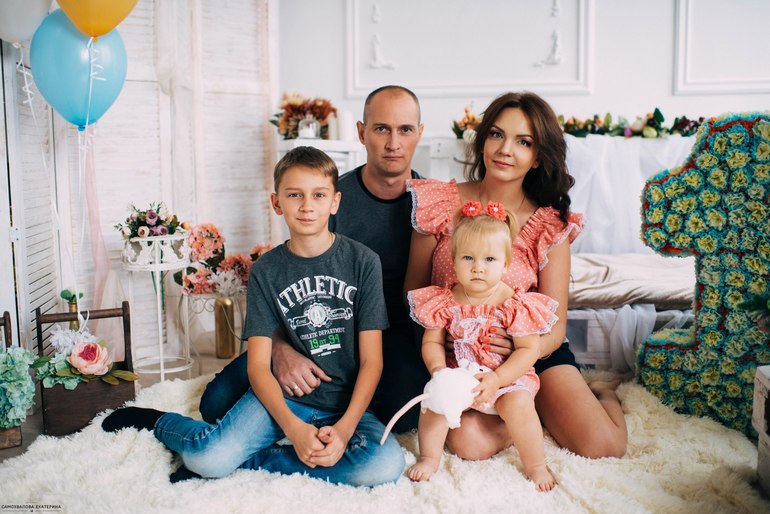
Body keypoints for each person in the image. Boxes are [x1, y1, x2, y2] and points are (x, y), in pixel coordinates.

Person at [103, 147, 405, 486]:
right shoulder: (267, 270)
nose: (307, 206)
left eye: (319, 195)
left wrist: (346, 428)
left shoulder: (363, 262)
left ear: (335, 202)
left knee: (384, 466)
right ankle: (159, 422)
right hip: (285, 398)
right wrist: (294, 429)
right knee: (209, 457)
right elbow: (259, 366)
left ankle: (256, 459)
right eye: (295, 195)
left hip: (345, 403)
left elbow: (372, 362)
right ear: (276, 203)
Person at [404, 91, 628, 460]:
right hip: (460, 357)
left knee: (604, 446)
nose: (505, 149)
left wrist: (521, 351)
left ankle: (600, 393)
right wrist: (442, 345)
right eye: (496, 134)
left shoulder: (549, 225)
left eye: (523, 142)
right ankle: (525, 414)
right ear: (483, 141)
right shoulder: (439, 203)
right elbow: (414, 294)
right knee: (469, 443)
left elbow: (555, 327)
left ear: (538, 156)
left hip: (531, 353)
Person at [198, 85, 430, 433]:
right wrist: (279, 349)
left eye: (405, 130)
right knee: (215, 404)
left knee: (408, 411)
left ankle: (337, 413)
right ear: (362, 132)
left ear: (419, 133)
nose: (393, 143)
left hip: (391, 336)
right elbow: (289, 276)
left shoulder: (433, 202)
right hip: (316, 326)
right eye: (382, 128)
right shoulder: (327, 199)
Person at [406, 204, 558, 491]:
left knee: (518, 404)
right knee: (434, 400)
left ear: (505, 263)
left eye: (489, 259)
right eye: (468, 258)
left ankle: (536, 465)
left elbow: (528, 350)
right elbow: (432, 341)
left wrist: (498, 379)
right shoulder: (445, 300)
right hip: (461, 378)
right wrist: (439, 371)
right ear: (454, 261)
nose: (478, 267)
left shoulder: (514, 303)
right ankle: (429, 458)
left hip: (505, 378)